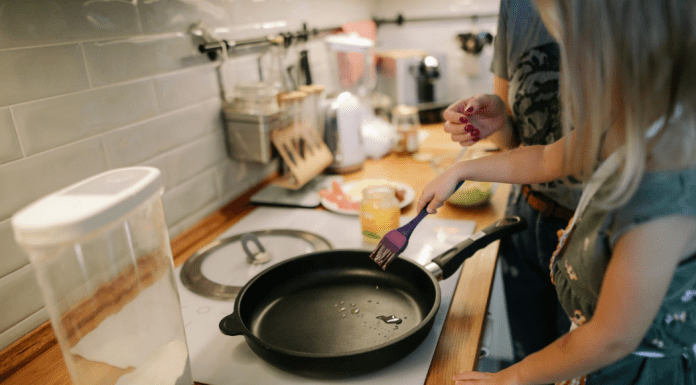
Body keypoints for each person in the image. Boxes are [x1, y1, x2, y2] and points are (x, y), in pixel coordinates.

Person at [418, 0, 696, 383]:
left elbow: (610, 338)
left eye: (575, 51)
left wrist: (510, 378)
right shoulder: (631, 122)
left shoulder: (663, 190)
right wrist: (461, 169)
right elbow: (547, 159)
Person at [443, 0, 576, 363]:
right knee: (528, 355)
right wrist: (497, 120)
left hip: (595, 230)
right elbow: (519, 142)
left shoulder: (635, 14)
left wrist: (460, 171)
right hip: (526, 220)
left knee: (575, 367)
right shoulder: (517, 7)